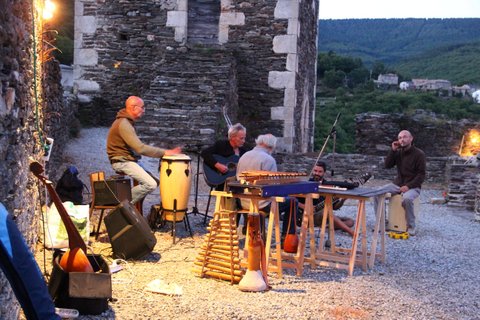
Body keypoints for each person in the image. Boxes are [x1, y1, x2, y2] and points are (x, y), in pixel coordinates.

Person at [106, 96, 182, 205]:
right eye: (142, 107)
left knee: (155, 181)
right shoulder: (124, 124)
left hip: (128, 160)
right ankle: (121, 205)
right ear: (133, 108)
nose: (144, 110)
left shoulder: (126, 122)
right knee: (150, 184)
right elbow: (140, 148)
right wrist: (164, 152)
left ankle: (132, 207)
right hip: (122, 162)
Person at [236, 134, 297, 243]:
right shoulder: (268, 159)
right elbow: (274, 186)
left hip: (243, 201)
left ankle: (250, 228)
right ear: (271, 146)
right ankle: (286, 239)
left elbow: (238, 178)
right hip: (261, 204)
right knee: (292, 201)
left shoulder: (244, 155)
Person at [374, 130, 426, 236]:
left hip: (413, 186)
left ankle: (411, 226)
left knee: (407, 199)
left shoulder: (419, 154)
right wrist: (392, 151)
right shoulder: (398, 152)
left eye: (405, 137)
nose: (402, 139)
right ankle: (381, 223)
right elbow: (387, 165)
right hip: (397, 184)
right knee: (376, 194)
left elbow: (421, 175)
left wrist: (408, 186)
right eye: (400, 137)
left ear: (411, 139)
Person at [298, 162, 354, 236]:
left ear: (324, 173)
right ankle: (351, 232)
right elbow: (293, 199)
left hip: (324, 215)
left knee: (350, 222)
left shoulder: (328, 185)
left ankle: (325, 226)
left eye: (320, 171)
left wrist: (342, 200)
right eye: (315, 171)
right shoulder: (307, 184)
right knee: (327, 213)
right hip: (309, 215)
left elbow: (335, 207)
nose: (317, 173)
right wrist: (305, 206)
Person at [201, 123, 248, 191]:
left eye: (244, 138)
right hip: (222, 181)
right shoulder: (222, 145)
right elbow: (205, 153)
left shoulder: (243, 151)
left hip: (237, 183)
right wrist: (218, 165)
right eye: (241, 138)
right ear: (232, 137)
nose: (244, 141)